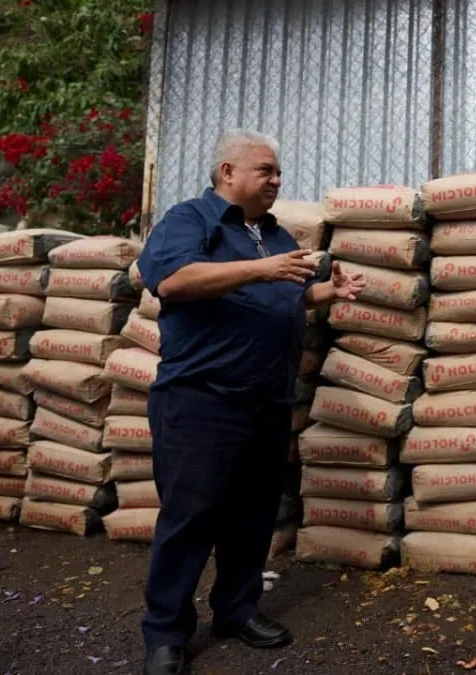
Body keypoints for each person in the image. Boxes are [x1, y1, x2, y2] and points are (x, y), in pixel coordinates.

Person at [135, 129, 366, 675]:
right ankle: (165, 633)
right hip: (201, 399)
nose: (277, 180)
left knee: (253, 516)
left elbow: (284, 295)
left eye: (278, 171)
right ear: (227, 172)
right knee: (190, 518)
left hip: (266, 397)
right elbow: (172, 281)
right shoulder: (188, 220)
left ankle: (237, 610)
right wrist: (263, 268)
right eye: (266, 170)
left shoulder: (274, 234)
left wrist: (325, 293)